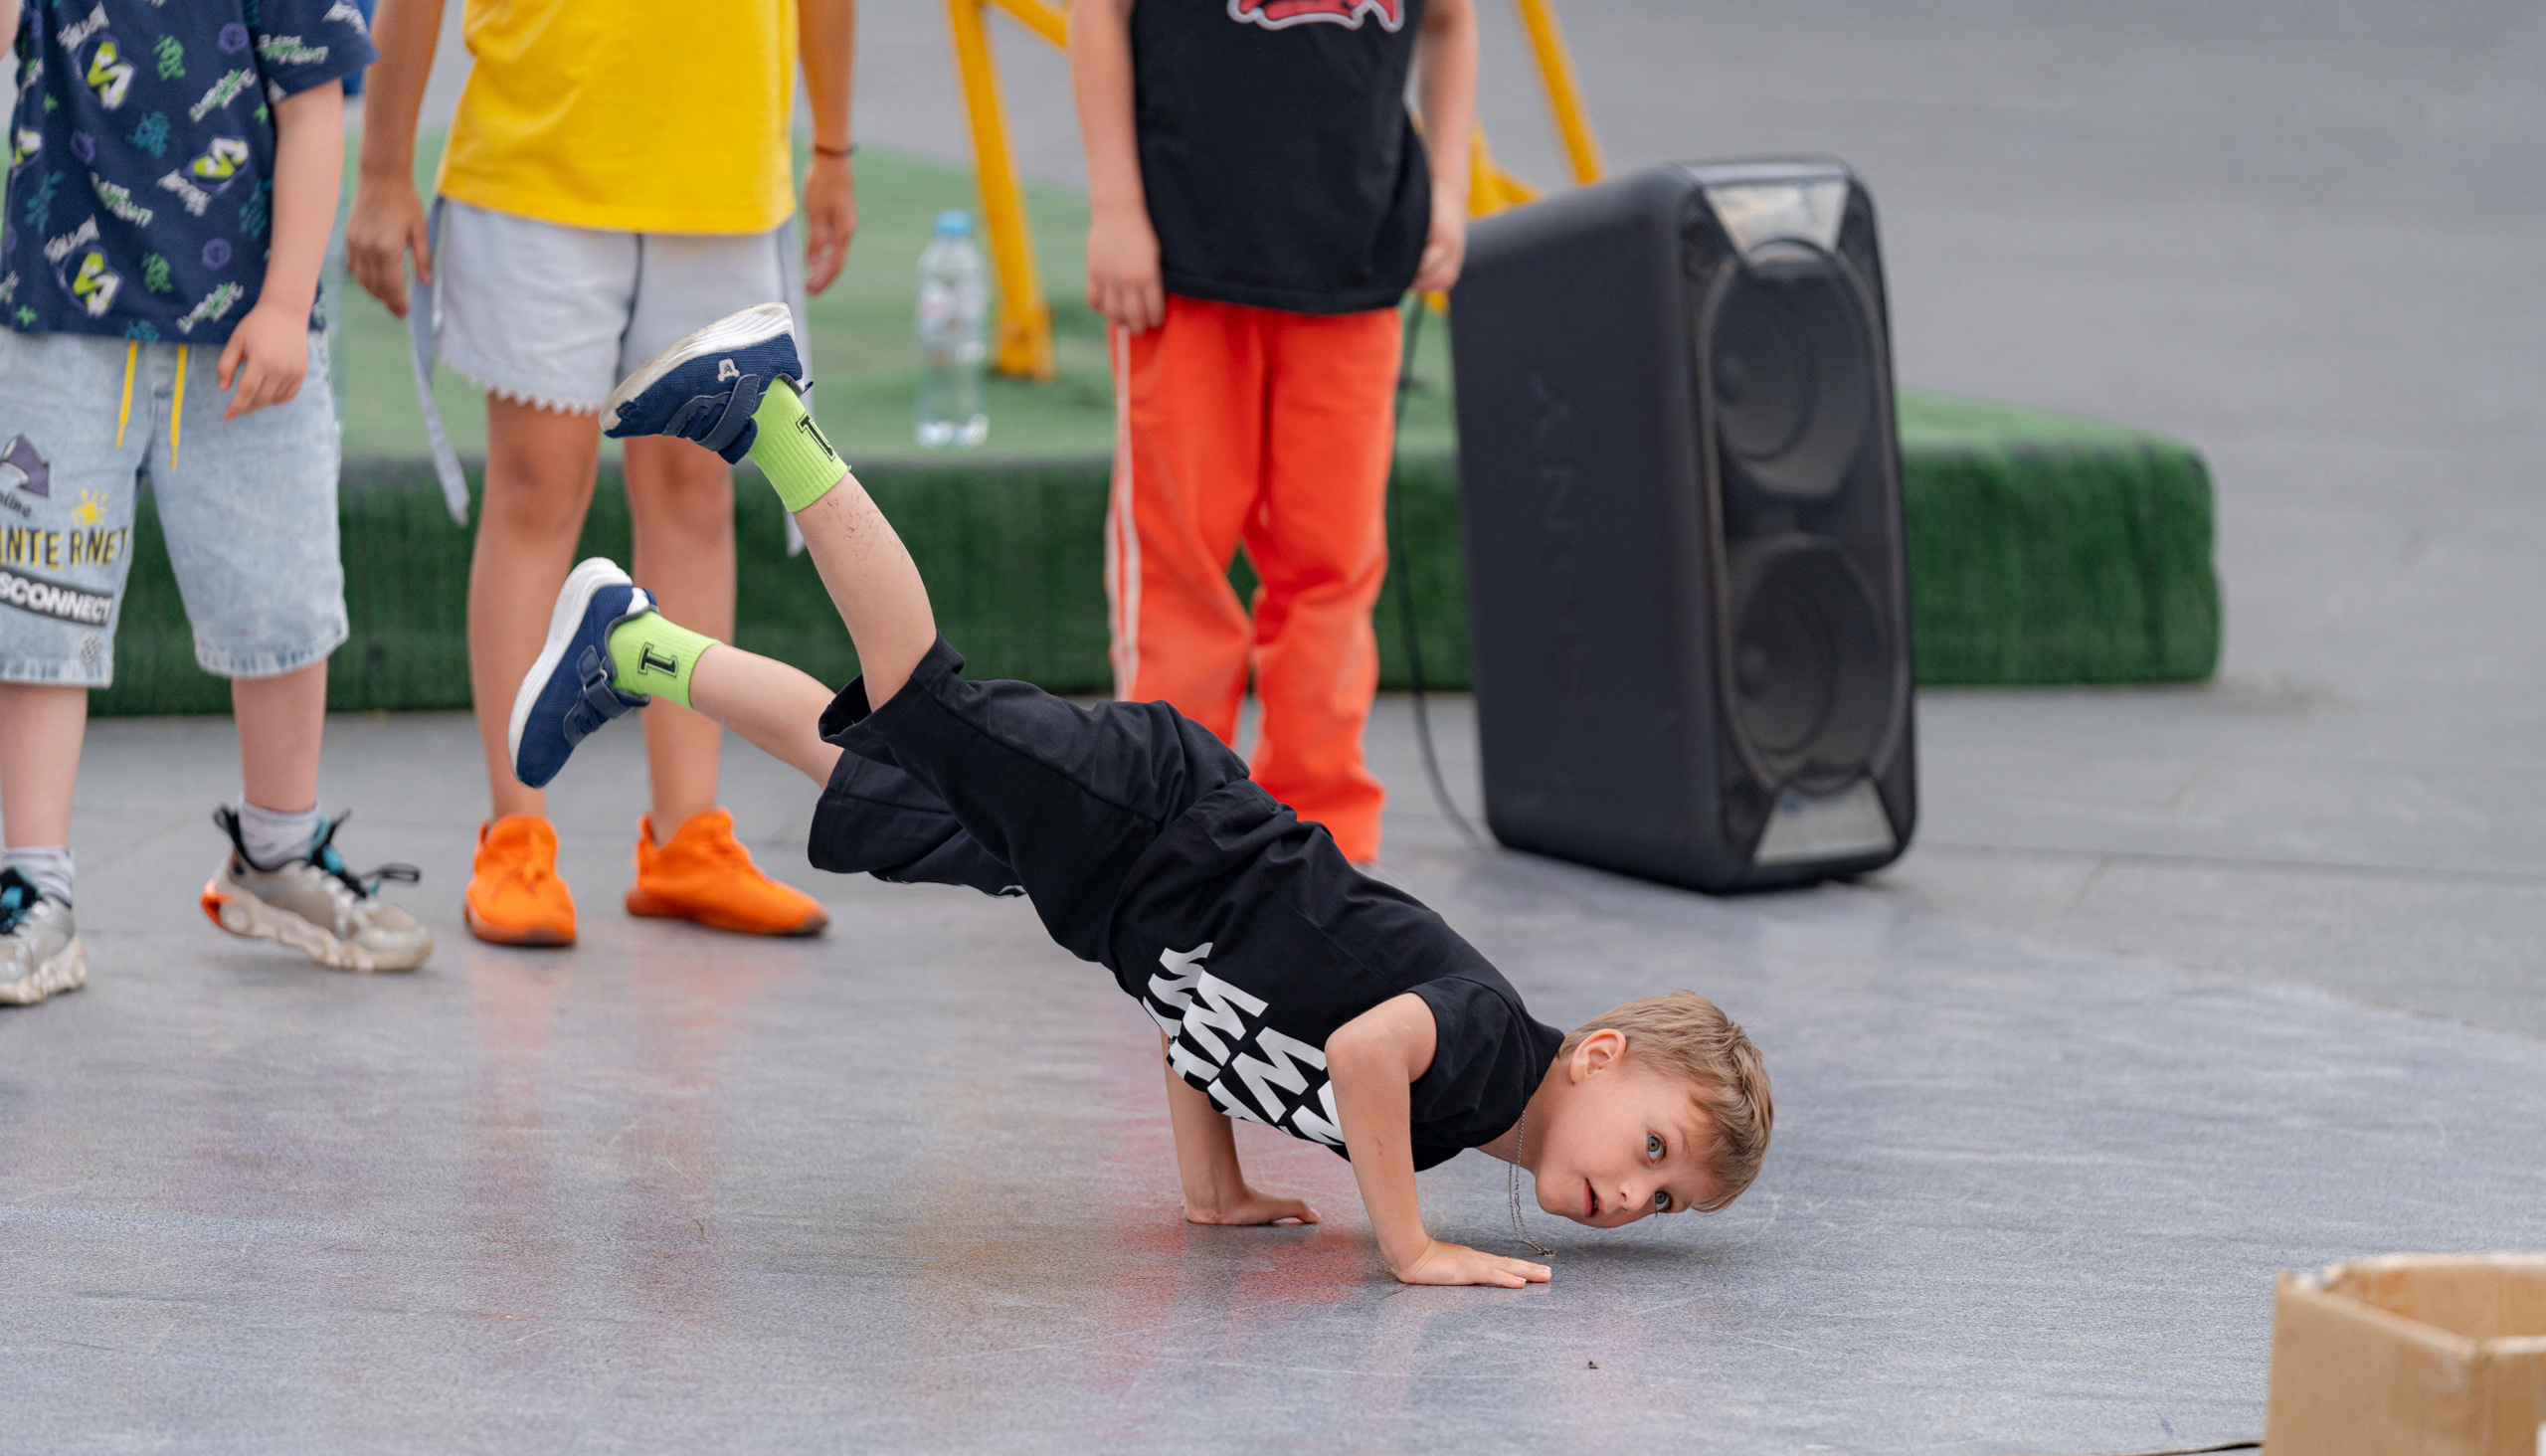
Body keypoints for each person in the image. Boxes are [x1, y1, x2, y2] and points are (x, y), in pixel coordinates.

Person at [509, 306, 1772, 1285]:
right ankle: (770, 409)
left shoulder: (1453, 1123)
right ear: (1599, 1058)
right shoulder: (1489, 1050)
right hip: (1155, 816)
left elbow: (1207, 1019)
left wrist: (1210, 1185)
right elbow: (1363, 1047)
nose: (1632, 1197)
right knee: (922, 701)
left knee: (874, 784)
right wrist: (1407, 1246)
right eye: (1652, 1151)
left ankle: (634, 647)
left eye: (1665, 1201)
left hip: (1113, 894)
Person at [347, 0, 856, 948]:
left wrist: (832, 147)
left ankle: (688, 836)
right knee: (539, 491)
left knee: (696, 491)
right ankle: (516, 832)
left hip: (724, 171)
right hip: (537, 161)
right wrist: (380, 170)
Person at [0, 0, 433, 1007]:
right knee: (40, 602)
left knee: (279, 599)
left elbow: (316, 111)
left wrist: (287, 302)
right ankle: (34, 881)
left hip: (247, 336)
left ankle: (278, 849)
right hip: (62, 325)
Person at [1069, 0, 1479, 867]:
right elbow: (1098, 13)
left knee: (1332, 564)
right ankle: (1166, 822)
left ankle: (1319, 832)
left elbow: (1449, 20)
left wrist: (1447, 187)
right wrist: (1116, 206)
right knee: (1178, 562)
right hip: (1184, 263)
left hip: (1355, 267)